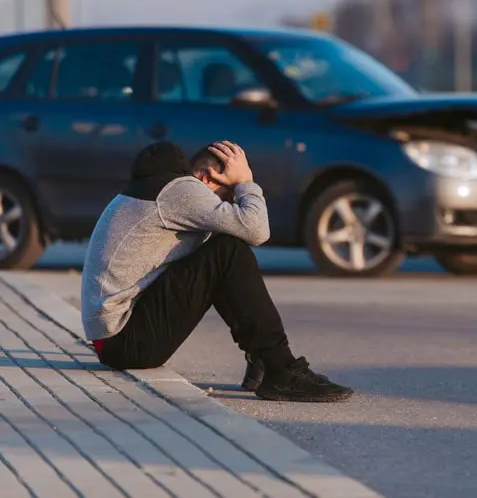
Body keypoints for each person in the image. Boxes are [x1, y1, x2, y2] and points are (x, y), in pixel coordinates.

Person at [80, 139, 353, 402]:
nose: (229, 206)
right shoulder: (181, 191)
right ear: (207, 178)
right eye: (227, 196)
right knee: (227, 251)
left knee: (221, 249)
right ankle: (280, 368)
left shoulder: (158, 188)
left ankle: (263, 360)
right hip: (125, 342)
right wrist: (246, 183)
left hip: (115, 340)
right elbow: (257, 230)